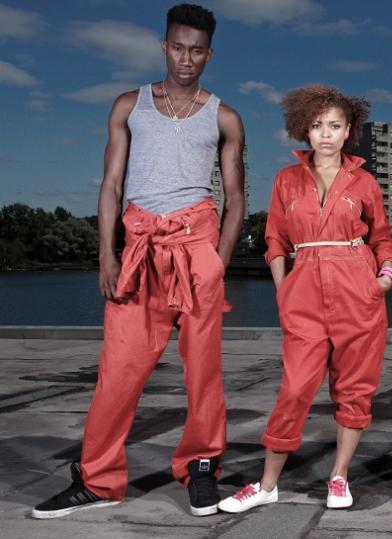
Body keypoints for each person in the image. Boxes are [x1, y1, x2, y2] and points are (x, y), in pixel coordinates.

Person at [32, 3, 245, 519]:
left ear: (209, 53)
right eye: (178, 46)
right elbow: (110, 185)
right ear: (164, 46)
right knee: (119, 371)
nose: (186, 57)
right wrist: (107, 254)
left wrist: (217, 262)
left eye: (197, 49)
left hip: (197, 248)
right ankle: (99, 480)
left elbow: (236, 197)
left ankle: (200, 467)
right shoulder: (130, 104)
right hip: (140, 248)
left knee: (203, 374)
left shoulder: (225, 116)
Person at [217, 85, 392, 513]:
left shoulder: (365, 182)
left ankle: (339, 477)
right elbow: (275, 241)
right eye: (317, 126)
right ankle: (266, 484)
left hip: (359, 291)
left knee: (354, 391)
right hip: (305, 295)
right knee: (295, 390)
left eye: (334, 125)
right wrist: (285, 291)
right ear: (304, 130)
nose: (326, 134)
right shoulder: (286, 180)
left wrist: (384, 279)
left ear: (348, 129)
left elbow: (383, 237)